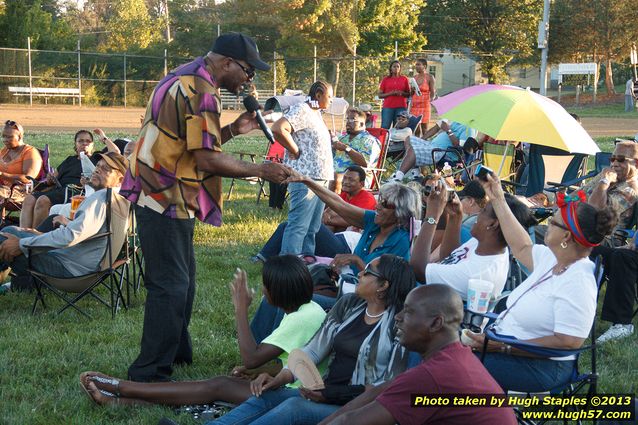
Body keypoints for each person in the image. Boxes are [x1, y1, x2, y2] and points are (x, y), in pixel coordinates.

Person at [121, 32, 289, 383]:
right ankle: (149, 373)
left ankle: (177, 355)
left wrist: (230, 131)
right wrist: (261, 169)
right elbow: (206, 159)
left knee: (184, 281)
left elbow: (190, 145)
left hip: (167, 191)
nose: (249, 79)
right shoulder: (202, 91)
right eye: (247, 70)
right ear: (226, 63)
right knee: (170, 285)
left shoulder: (186, 75)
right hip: (163, 193)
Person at [79, 256, 326, 407]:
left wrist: (240, 309)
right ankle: (119, 401)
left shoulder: (301, 318)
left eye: (264, 285)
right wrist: (262, 371)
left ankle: (122, 387)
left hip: (296, 395)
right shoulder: (307, 309)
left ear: (278, 290)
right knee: (210, 389)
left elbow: (250, 357)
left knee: (215, 386)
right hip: (293, 385)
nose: (262, 289)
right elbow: (291, 360)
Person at [211, 255, 416, 425]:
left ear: (383, 285)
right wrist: (280, 378)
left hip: (358, 409)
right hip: (324, 393)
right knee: (267, 396)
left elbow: (385, 386)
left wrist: (332, 395)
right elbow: (314, 350)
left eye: (368, 271)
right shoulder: (349, 305)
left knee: (293, 408)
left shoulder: (399, 324)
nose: (360, 273)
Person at [464, 173, 617, 392]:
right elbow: (521, 246)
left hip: (541, 366)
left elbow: (567, 342)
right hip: (502, 347)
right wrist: (497, 197)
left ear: (566, 238)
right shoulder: (553, 259)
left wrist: (502, 347)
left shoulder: (578, 281)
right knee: (437, 351)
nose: (548, 225)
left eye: (553, 223)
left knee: (448, 367)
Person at [249, 179, 420, 341]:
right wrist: (307, 181)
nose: (378, 205)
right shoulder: (374, 222)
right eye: (380, 200)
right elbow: (339, 205)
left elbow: (384, 284)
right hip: (344, 286)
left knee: (289, 297)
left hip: (362, 301)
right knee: (280, 290)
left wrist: (355, 260)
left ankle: (268, 354)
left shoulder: (401, 241)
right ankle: (257, 345)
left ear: (400, 213)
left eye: (385, 204)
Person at [323, 285, 517, 425]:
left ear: (435, 324)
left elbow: (348, 422)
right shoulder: (452, 357)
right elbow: (379, 391)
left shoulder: (435, 375)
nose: (398, 317)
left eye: (408, 312)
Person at [0, 152, 128, 279]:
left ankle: (16, 281)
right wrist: (62, 226)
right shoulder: (118, 200)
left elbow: (70, 236)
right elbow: (88, 232)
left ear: (120, 180)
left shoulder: (99, 199)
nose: (97, 170)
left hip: (69, 268)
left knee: (5, 238)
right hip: (81, 262)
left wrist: (22, 244)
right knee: (11, 231)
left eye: (105, 169)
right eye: (98, 166)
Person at [411, 178, 536, 299]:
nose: (478, 214)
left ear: (492, 224)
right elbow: (449, 258)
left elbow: (418, 270)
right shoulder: (487, 245)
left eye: (483, 211)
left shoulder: (477, 273)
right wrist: (456, 217)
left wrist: (432, 216)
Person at [253, 166, 377, 263]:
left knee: (298, 226)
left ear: (361, 184)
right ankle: (269, 258)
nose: (346, 182)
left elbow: (351, 220)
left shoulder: (367, 198)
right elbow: (330, 210)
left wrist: (328, 220)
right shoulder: (345, 194)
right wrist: (326, 216)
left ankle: (276, 261)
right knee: (293, 226)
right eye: (345, 178)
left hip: (346, 246)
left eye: (351, 180)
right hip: (337, 238)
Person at [582, 141, 638, 342]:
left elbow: (592, 209)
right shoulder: (607, 177)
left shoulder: (631, 187)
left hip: (605, 238)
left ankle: (622, 323)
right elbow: (575, 197)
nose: (614, 163)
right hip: (585, 231)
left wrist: (603, 183)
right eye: (612, 158)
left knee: (620, 256)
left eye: (621, 159)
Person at [271, 81, 334, 256]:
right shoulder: (303, 110)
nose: (331, 100)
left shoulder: (315, 112)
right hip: (304, 177)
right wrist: (295, 149)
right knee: (299, 225)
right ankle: (288, 268)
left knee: (312, 228)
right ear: (319, 94)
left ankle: (306, 265)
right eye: (329, 96)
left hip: (318, 178)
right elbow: (278, 128)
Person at [20, 130, 100, 229]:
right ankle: (23, 232)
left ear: (92, 145)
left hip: (75, 190)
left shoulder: (96, 159)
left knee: (43, 200)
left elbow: (116, 153)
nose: (84, 144)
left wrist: (103, 138)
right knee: (29, 199)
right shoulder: (69, 160)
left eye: (88, 141)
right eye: (81, 141)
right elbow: (53, 177)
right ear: (75, 144)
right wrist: (50, 178)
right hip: (58, 189)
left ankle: (36, 237)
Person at [389, 120, 476, 182]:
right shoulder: (454, 120)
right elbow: (436, 128)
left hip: (441, 152)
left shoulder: (469, 128)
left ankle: (398, 177)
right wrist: (422, 140)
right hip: (431, 145)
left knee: (413, 149)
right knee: (409, 139)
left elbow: (459, 147)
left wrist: (448, 130)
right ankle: (415, 172)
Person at [331, 107, 381, 192]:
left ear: (362, 124)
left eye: (352, 120)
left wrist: (346, 148)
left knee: (335, 178)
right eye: (347, 120)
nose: (347, 123)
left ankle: (332, 205)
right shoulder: (343, 138)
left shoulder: (369, 141)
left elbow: (365, 163)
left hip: (357, 177)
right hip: (335, 173)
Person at [0, 120, 43, 206]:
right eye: (3, 136)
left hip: (21, 191)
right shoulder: (5, 151)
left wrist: (2, 175)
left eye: (9, 137)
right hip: (3, 189)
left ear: (20, 137)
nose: (5, 140)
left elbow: (28, 178)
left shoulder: (30, 152)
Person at [378, 61, 410, 129]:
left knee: (398, 127)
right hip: (388, 107)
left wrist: (401, 93)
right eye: (394, 66)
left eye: (398, 66)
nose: (396, 68)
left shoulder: (404, 79)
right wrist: (391, 93)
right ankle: (383, 139)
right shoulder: (386, 79)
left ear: (400, 68)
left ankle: (395, 140)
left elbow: (408, 94)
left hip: (401, 107)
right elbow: (380, 95)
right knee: (385, 127)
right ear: (391, 68)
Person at [409, 58, 436, 133]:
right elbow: (411, 93)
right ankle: (416, 143)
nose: (416, 66)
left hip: (425, 105)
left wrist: (431, 100)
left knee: (424, 128)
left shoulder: (430, 77)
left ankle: (424, 143)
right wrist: (412, 89)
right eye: (416, 65)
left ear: (424, 66)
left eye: (418, 64)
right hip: (415, 105)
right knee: (415, 128)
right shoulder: (414, 78)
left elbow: (433, 92)